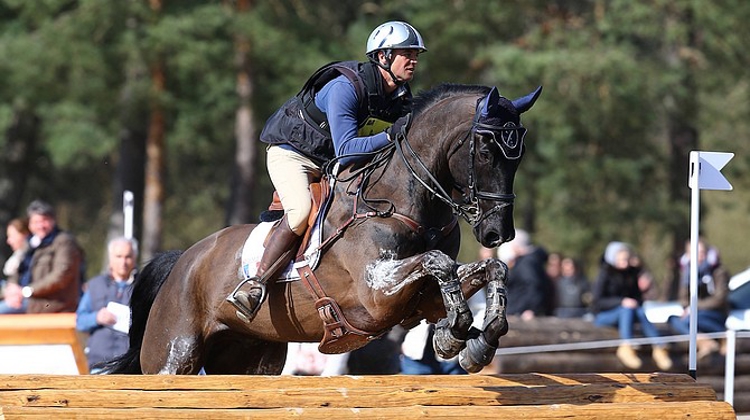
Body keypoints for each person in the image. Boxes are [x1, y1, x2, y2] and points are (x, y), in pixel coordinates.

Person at [228, 21, 427, 321]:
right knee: (300, 211)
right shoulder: (346, 87)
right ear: (383, 56)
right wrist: (389, 136)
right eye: (406, 53)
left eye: (415, 54)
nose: (413, 60)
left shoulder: (400, 97)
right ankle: (254, 283)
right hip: (293, 154)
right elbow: (347, 148)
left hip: (330, 162)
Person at [591, 241, 672, 370]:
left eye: (627, 258)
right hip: (604, 315)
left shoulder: (632, 273)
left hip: (628, 313)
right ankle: (626, 345)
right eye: (622, 259)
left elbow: (638, 300)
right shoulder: (604, 274)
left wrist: (642, 289)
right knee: (627, 308)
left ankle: (659, 346)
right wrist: (621, 301)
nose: (626, 262)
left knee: (638, 310)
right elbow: (598, 301)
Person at [4, 200, 84, 314]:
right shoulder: (30, 243)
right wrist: (12, 291)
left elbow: (61, 276)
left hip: (49, 304)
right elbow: (18, 271)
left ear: (53, 221)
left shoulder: (64, 242)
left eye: (45, 220)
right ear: (30, 224)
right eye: (36, 222)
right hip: (24, 299)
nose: (40, 226)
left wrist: (27, 291)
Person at [76, 237, 137, 373]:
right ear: (111, 258)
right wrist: (97, 317)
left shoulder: (143, 287)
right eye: (119, 256)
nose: (123, 262)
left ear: (134, 258)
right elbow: (80, 321)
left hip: (130, 366)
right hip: (99, 365)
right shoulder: (95, 285)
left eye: (128, 257)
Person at [668, 239, 729, 359]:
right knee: (673, 319)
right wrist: (689, 307)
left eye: (701, 252)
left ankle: (718, 338)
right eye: (694, 252)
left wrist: (694, 307)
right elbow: (683, 299)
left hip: (715, 315)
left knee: (687, 321)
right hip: (695, 314)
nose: (698, 256)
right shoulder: (686, 272)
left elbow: (719, 299)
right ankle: (705, 342)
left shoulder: (718, 271)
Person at [497, 229, 553, 320]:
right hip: (519, 311)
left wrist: (531, 309)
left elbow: (533, 285)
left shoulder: (526, 263)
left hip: (522, 313)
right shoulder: (529, 262)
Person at [0, 218, 31, 314]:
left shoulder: (30, 255)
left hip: (25, 298)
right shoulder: (18, 256)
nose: (9, 241)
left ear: (25, 235)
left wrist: (18, 294)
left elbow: (27, 283)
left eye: (12, 236)